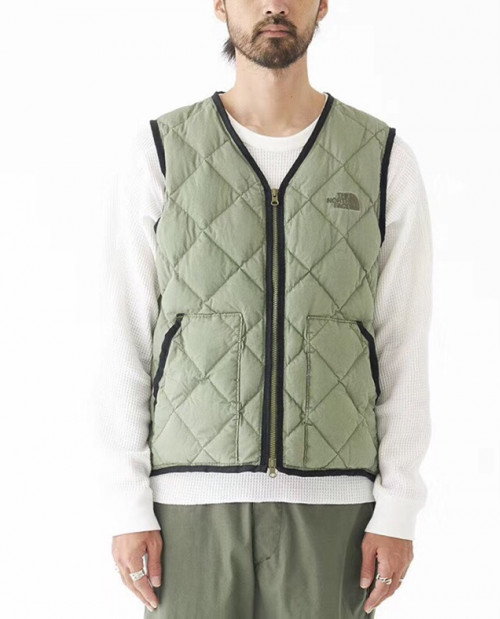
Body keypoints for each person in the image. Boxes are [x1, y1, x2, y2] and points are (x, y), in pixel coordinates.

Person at [94, 1, 433, 617]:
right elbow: (124, 335)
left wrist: (399, 505)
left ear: (322, 4)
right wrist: (126, 502)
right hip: (187, 509)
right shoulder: (161, 151)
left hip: (336, 509)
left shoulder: (382, 157)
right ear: (220, 4)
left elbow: (403, 342)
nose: (275, 5)